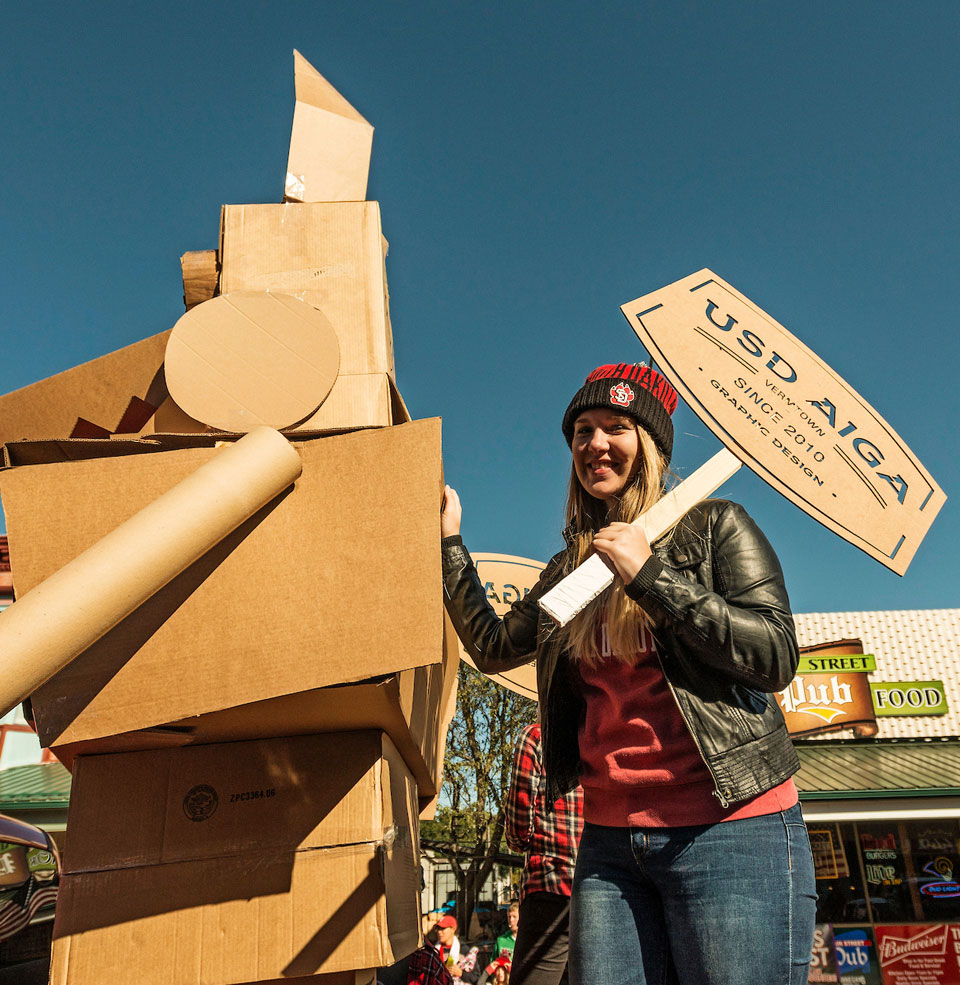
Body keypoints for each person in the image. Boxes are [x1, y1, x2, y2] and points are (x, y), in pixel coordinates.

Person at [440, 363, 816, 985]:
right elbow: (493, 646)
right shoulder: (570, 570)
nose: (595, 443)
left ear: (651, 444)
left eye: (616, 427)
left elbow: (773, 655)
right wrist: (450, 544)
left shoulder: (715, 526)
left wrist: (651, 578)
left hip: (731, 831)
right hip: (610, 846)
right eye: (582, 430)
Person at [504, 725, 582, 985]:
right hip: (597, 893)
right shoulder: (599, 734)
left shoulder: (536, 737)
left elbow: (518, 834)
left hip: (549, 888)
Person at [434, 915, 480, 983]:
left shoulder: (465, 950)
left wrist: (461, 973)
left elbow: (477, 979)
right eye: (438, 928)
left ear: (452, 930)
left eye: (443, 928)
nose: (439, 932)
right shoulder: (434, 951)